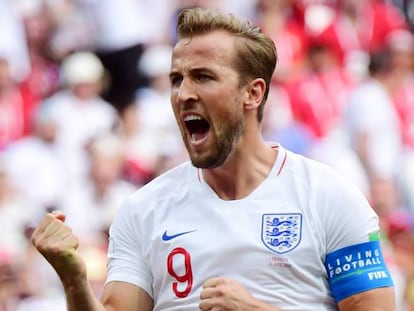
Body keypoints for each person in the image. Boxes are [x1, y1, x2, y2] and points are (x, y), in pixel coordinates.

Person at [31, 7, 396, 311]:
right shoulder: (143, 210)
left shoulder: (328, 196)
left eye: (203, 77)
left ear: (252, 93)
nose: (183, 93)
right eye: (177, 79)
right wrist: (73, 279)